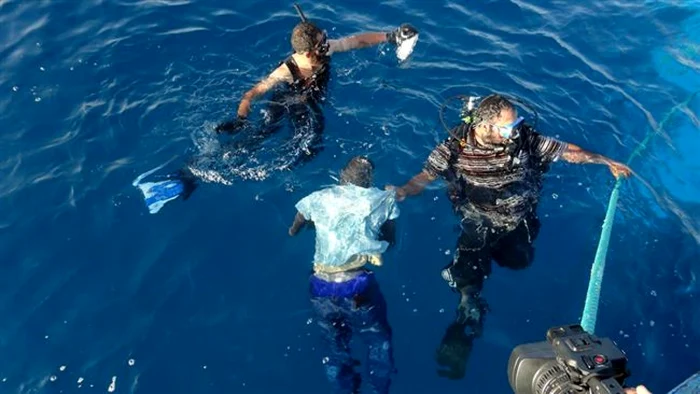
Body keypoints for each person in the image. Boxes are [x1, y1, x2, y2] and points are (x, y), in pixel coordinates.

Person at [386, 94, 632, 379]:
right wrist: (403, 191)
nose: (515, 130)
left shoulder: (523, 138)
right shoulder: (454, 149)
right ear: (486, 127)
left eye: (516, 123)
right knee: (472, 255)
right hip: (477, 214)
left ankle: (477, 276)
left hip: (519, 214)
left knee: (519, 260)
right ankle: (467, 305)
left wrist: (604, 160)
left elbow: (566, 151)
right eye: (508, 127)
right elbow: (424, 177)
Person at [133, 4, 418, 214]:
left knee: (312, 144)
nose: (327, 42)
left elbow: (357, 41)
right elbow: (252, 93)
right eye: (322, 42)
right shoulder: (287, 70)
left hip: (308, 103)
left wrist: (391, 36)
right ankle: (189, 176)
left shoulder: (325, 50)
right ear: (307, 52)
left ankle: (192, 177)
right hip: (286, 103)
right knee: (261, 139)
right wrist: (241, 117)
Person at [289, 156, 400, 394]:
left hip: (321, 285)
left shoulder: (319, 198)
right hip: (358, 287)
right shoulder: (383, 199)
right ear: (370, 181)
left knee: (334, 347)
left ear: (341, 177)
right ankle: (379, 390)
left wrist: (298, 228)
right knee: (378, 340)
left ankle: (345, 389)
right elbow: (390, 242)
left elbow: (295, 226)